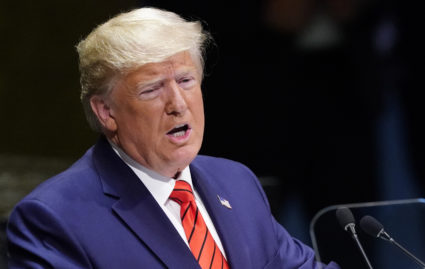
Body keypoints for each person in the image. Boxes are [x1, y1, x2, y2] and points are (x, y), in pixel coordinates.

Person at [6, 7, 339, 269]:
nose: (178, 105)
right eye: (152, 89)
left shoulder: (237, 182)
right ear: (106, 112)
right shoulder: (55, 218)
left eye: (185, 80)